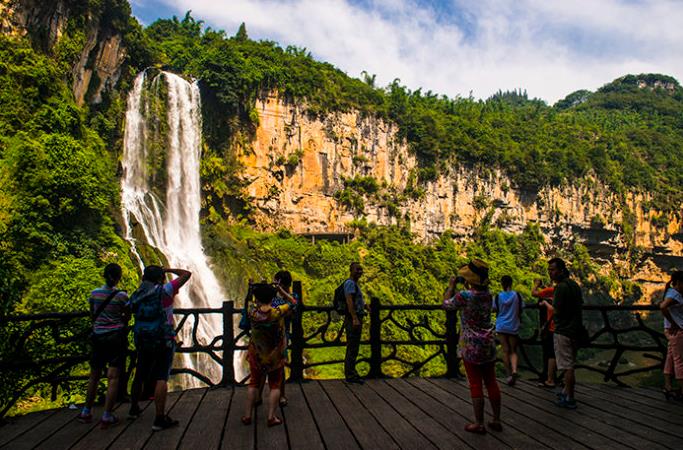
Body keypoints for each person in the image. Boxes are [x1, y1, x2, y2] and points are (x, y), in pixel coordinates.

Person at [129, 265, 191, 431]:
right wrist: (168, 270)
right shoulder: (165, 290)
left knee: (140, 373)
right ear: (160, 278)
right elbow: (187, 274)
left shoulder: (137, 294)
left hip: (142, 338)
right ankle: (159, 417)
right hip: (163, 338)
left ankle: (133, 408)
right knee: (161, 376)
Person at [443, 259, 502, 434]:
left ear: (470, 279)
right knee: (491, 381)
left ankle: (479, 423)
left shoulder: (466, 296)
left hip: (471, 345)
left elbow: (446, 305)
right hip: (489, 342)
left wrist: (451, 287)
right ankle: (496, 420)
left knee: (475, 383)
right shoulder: (488, 294)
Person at [77, 263, 130, 428]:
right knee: (113, 377)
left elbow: (92, 315)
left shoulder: (94, 294)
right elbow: (127, 316)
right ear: (119, 277)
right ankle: (107, 415)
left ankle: (86, 411)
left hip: (98, 338)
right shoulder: (122, 296)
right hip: (115, 338)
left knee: (94, 375)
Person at [242, 282, 296, 427]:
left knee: (253, 382)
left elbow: (248, 301)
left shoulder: (252, 311)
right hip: (274, 356)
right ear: (272, 298)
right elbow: (293, 302)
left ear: (257, 298)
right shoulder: (277, 312)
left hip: (256, 354)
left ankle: (247, 415)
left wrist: (251, 290)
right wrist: (280, 290)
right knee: (275, 385)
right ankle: (271, 417)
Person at [548, 257, 583, 409]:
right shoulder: (575, 285)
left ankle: (570, 397)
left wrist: (546, 306)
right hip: (576, 329)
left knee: (567, 366)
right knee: (570, 362)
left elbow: (557, 311)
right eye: (549, 270)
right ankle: (565, 391)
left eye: (553, 270)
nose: (550, 273)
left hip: (563, 330)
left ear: (561, 270)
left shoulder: (560, 288)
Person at [493, 275, 523, 386]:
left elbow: (494, 309)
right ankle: (515, 370)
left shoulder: (498, 296)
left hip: (501, 326)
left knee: (505, 350)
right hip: (513, 325)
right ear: (511, 283)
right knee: (513, 350)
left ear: (502, 283)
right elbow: (521, 309)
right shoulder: (517, 296)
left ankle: (509, 375)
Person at [660, 271, 683, 401]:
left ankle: (668, 386)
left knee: (671, 358)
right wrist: (675, 323)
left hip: (670, 330)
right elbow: (662, 306)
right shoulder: (674, 294)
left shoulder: (672, 292)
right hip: (677, 331)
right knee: (680, 361)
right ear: (679, 283)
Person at [532, 279, 557, 388]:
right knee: (553, 354)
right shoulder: (557, 292)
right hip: (557, 328)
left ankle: (547, 378)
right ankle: (552, 377)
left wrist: (536, 284)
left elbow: (533, 293)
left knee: (548, 353)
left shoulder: (549, 292)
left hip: (549, 328)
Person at [344, 262, 366, 384]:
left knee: (354, 347)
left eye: (361, 269)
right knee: (352, 347)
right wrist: (354, 317)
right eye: (357, 269)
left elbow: (356, 300)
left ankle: (352, 373)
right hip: (353, 319)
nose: (359, 271)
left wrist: (365, 306)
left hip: (356, 318)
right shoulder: (350, 283)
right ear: (351, 270)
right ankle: (350, 375)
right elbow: (349, 301)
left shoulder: (354, 284)